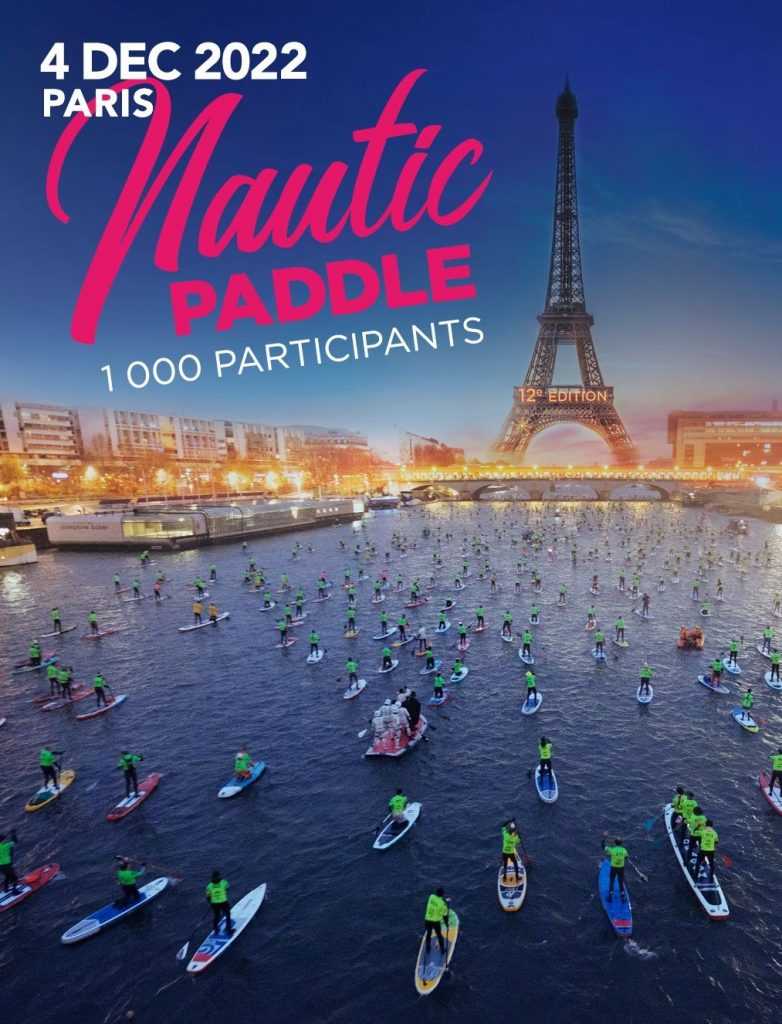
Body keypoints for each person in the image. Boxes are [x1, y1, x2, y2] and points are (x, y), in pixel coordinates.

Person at [423, 888, 449, 957]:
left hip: (427, 920)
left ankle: (428, 948)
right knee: (439, 936)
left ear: (436, 893)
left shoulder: (431, 897)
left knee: (428, 934)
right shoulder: (443, 905)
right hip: (436, 922)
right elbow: (445, 915)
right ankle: (442, 950)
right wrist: (447, 924)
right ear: (443, 895)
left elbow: (436, 901)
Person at [602, 835, 629, 900]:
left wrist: (604, 837)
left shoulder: (612, 850)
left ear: (615, 843)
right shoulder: (624, 850)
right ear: (621, 843)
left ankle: (610, 895)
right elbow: (626, 857)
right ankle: (622, 895)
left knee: (612, 880)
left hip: (613, 868)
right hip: (621, 868)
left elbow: (603, 846)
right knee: (621, 881)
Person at [206, 870, 233, 935]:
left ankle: (216, 929)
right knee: (227, 914)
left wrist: (210, 902)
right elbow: (227, 888)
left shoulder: (209, 886)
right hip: (224, 902)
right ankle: (228, 930)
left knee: (216, 916)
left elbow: (208, 897)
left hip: (214, 904)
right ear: (219, 876)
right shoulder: (224, 882)